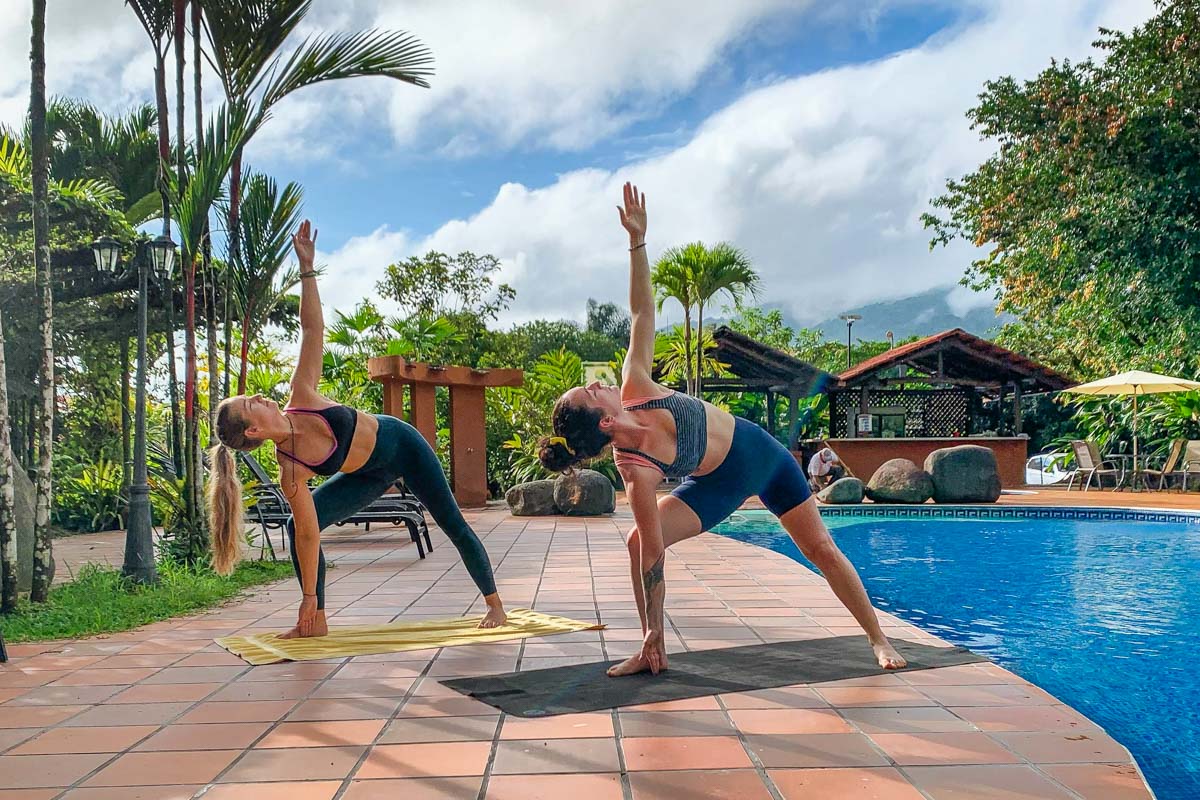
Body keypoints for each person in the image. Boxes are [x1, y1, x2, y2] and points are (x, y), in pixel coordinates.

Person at [538, 183, 905, 676]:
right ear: (603, 421)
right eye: (590, 391)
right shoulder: (635, 470)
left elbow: (642, 311)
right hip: (717, 484)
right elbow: (653, 554)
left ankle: (878, 637)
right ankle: (651, 647)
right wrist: (655, 626)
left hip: (762, 459)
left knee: (819, 548)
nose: (598, 383)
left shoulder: (637, 383)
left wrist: (637, 241)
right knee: (638, 542)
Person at [206, 220, 507, 639]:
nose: (259, 397)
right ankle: (317, 619)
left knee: (452, 522)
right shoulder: (290, 469)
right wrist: (308, 598)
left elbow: (312, 330)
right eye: (250, 403)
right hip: (368, 475)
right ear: (253, 430)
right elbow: (308, 534)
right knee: (298, 525)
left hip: (402, 446)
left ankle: (495, 606)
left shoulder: (302, 394)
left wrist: (307, 269)